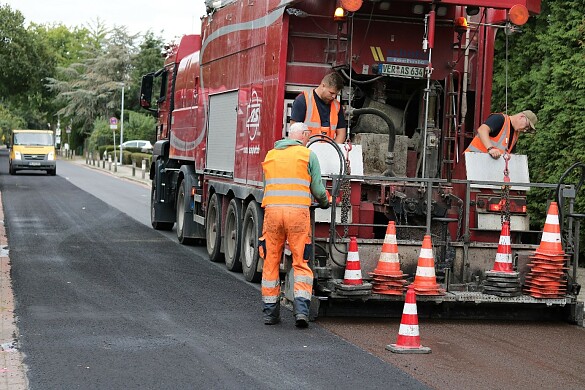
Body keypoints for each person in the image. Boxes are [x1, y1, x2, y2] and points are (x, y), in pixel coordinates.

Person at [260, 122, 330, 328]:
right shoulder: (308, 155)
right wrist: (326, 202)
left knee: (271, 260)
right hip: (297, 215)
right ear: (305, 136)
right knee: (301, 261)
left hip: (272, 213)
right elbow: (317, 189)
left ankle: (270, 314)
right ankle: (301, 312)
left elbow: (267, 187)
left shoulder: (270, 155)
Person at [290, 72, 347, 143]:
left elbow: (341, 133)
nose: (334, 97)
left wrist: (333, 151)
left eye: (336, 94)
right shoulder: (303, 100)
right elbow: (294, 132)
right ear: (323, 86)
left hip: (328, 151)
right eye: (331, 93)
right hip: (306, 151)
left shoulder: (337, 106)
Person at [465, 110, 538, 159]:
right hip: (471, 160)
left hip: (485, 166)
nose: (525, 130)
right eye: (527, 126)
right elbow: (482, 130)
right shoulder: (500, 118)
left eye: (527, 129)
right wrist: (490, 148)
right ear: (521, 117)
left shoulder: (515, 134)